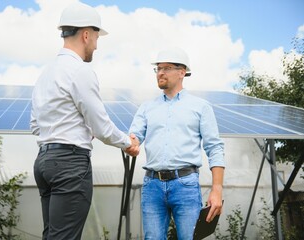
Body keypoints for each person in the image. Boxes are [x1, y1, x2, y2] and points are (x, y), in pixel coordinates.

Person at [30, 2, 140, 239]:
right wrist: (127, 143)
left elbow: (35, 125)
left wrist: (70, 129)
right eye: (97, 38)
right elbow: (100, 126)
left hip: (44, 162)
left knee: (53, 234)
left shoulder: (45, 74)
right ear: (86, 35)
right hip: (70, 165)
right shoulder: (80, 71)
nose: (97, 46)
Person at [129, 47, 225, 239]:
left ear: (182, 72)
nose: (160, 73)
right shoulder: (147, 108)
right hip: (152, 185)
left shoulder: (201, 107)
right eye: (158, 68)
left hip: (186, 185)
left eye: (167, 68)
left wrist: (217, 189)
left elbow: (214, 148)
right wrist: (129, 143)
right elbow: (134, 138)